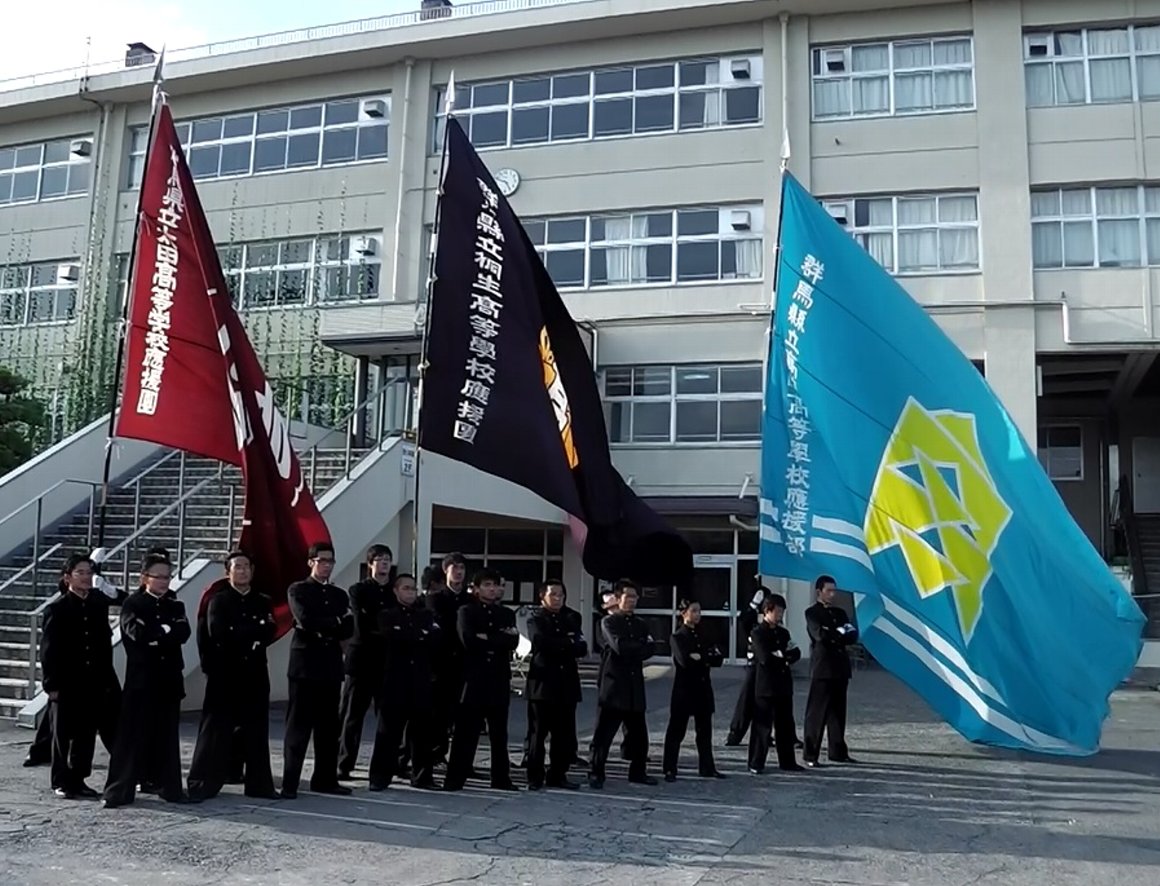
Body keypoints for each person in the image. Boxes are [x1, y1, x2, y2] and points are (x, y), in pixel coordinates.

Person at [186, 551, 279, 801]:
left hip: (255, 672)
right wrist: (253, 632)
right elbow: (219, 633)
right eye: (238, 567)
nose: (243, 571)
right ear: (228, 572)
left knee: (256, 729)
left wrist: (246, 632)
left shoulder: (262, 600)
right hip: (225, 673)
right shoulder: (219, 600)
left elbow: (270, 629)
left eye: (247, 566)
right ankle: (203, 783)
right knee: (216, 729)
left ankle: (260, 785)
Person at [103, 554, 192, 808]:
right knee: (131, 737)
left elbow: (183, 632)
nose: (164, 581)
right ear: (145, 578)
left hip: (169, 679)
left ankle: (168, 786)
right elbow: (138, 633)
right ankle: (119, 790)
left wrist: (160, 634)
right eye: (158, 577)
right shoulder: (134, 604)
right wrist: (164, 631)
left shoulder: (175, 605)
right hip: (142, 680)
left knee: (166, 736)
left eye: (167, 576)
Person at [25, 547, 126, 769]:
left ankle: (92, 774)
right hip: (71, 678)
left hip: (99, 676)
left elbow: (124, 602)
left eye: (89, 572)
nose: (87, 577)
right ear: (68, 577)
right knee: (63, 731)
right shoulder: (58, 609)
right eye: (81, 572)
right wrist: (51, 683)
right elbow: (49, 650)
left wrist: (109, 588)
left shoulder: (97, 601)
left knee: (97, 728)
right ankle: (59, 774)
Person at [281, 542, 354, 799]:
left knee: (328, 728)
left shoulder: (339, 595)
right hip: (304, 666)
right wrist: (333, 621)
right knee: (298, 727)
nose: (326, 566)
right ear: (311, 562)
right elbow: (305, 620)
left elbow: (348, 627)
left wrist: (330, 624)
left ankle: (325, 779)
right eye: (322, 561)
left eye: (330, 561)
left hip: (330, 665)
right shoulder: (298, 590)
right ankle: (290, 781)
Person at [443, 568, 520, 792]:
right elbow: (468, 640)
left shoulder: (506, 613)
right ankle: (455, 778)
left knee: (499, 733)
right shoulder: (466, 611)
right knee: (466, 731)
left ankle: (501, 778)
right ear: (476, 589)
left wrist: (488, 637)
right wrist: (497, 638)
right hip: (474, 678)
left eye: (495, 585)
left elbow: (512, 642)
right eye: (487, 585)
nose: (492, 589)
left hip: (498, 678)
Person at [368, 573, 439, 791]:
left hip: (420, 678)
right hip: (395, 680)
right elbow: (392, 637)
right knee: (388, 732)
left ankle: (422, 776)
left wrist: (413, 634)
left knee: (422, 732)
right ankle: (380, 776)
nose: (410, 592)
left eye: (413, 589)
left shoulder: (425, 614)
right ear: (396, 591)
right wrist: (417, 634)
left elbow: (434, 638)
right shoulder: (387, 615)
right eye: (406, 588)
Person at [588, 579, 657, 789]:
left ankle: (638, 772)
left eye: (635, 597)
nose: (632, 601)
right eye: (628, 597)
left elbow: (650, 648)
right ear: (617, 598)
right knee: (604, 733)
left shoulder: (640, 624)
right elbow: (620, 647)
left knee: (639, 734)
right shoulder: (608, 622)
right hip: (613, 685)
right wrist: (638, 647)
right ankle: (596, 772)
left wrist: (637, 647)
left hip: (634, 684)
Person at [338, 544, 395, 778]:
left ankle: (385, 766)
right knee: (352, 715)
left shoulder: (394, 592)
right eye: (379, 559)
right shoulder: (358, 590)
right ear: (370, 564)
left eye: (387, 559)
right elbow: (360, 624)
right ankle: (343, 763)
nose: (384, 563)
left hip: (387, 661)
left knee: (387, 717)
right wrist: (387, 627)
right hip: (361, 660)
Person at [524, 580, 586, 791]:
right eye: (553, 595)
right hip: (543, 685)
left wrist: (563, 643)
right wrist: (566, 643)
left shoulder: (571, 618)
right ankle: (535, 776)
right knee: (538, 733)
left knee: (563, 734)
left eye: (561, 595)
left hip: (566, 683)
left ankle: (558, 774)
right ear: (542, 597)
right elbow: (540, 642)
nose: (558, 599)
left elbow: (581, 647)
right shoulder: (536, 619)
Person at [662, 599, 725, 782]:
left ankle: (707, 767)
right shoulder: (678, 637)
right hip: (685, 689)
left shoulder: (704, 634)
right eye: (694, 611)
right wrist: (703, 658)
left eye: (699, 611)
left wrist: (701, 657)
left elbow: (717, 658)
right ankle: (669, 768)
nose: (698, 615)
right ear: (684, 613)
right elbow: (685, 661)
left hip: (703, 688)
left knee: (704, 731)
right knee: (676, 731)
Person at [802, 574, 859, 767]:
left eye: (834, 591)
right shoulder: (812, 613)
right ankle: (811, 754)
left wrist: (836, 633)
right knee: (817, 713)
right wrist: (837, 633)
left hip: (840, 666)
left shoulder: (840, 613)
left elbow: (852, 635)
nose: (832, 594)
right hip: (823, 668)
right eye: (829, 591)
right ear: (819, 591)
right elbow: (820, 635)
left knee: (838, 713)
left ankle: (838, 751)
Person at [748, 594, 805, 774]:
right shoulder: (758, 633)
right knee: (762, 726)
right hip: (766, 686)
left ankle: (787, 761)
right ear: (767, 610)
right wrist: (782, 658)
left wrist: (782, 657)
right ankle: (756, 762)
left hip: (783, 685)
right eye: (777, 611)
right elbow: (765, 658)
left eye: (782, 612)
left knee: (785, 725)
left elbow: (795, 652)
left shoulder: (783, 633)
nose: (780, 615)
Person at [425, 552, 470, 765]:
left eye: (462, 568)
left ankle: (460, 761)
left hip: (464, 663)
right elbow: (440, 629)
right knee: (438, 713)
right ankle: (435, 753)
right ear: (446, 570)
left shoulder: (470, 600)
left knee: (461, 715)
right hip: (441, 664)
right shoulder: (435, 599)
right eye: (455, 568)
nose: (459, 572)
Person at [725, 581, 771, 747]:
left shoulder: (770, 619)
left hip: (768, 664)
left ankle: (767, 734)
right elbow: (744, 621)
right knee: (746, 700)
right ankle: (735, 733)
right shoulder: (751, 617)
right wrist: (753, 605)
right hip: (754, 663)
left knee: (768, 702)